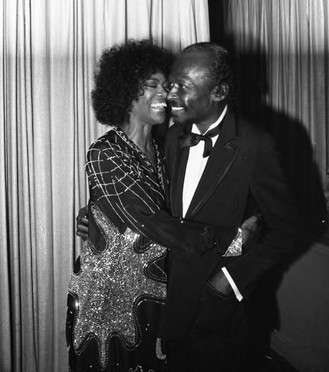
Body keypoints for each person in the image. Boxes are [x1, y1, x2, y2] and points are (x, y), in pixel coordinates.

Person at [67, 40, 253, 372]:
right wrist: (230, 239)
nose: (163, 94)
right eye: (151, 85)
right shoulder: (104, 152)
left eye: (165, 87)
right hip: (111, 294)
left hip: (158, 286)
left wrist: (92, 213)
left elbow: (176, 210)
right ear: (125, 92)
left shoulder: (166, 148)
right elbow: (151, 221)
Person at [162, 42, 299, 372]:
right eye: (172, 84)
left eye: (184, 86)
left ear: (219, 91)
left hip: (224, 316)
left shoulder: (258, 144)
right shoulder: (172, 136)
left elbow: (288, 230)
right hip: (174, 303)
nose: (170, 96)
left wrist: (228, 282)